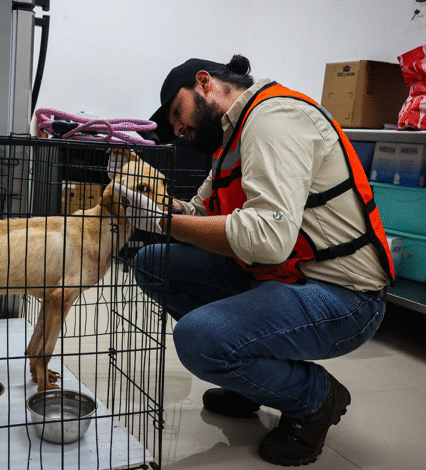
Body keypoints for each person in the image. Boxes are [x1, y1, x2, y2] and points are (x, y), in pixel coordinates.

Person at [116, 56, 396, 466]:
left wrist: (163, 221)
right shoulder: (231, 137)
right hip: (281, 277)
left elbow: (266, 238)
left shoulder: (273, 118)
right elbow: (200, 213)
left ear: (205, 83)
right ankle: (252, 380)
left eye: (177, 113)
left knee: (198, 339)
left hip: (343, 297)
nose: (176, 129)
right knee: (153, 262)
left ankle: (316, 398)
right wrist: (146, 202)